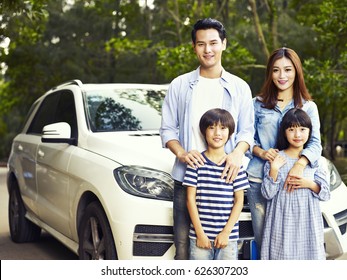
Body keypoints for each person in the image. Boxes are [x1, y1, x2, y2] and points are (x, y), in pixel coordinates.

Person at [160, 18, 254, 260]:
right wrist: (181, 153)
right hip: (187, 179)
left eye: (213, 43)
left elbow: (246, 132)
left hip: (225, 181)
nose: (207, 49)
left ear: (224, 44)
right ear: (194, 47)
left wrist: (236, 154)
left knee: (226, 249)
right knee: (185, 248)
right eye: (201, 44)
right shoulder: (180, 85)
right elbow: (168, 129)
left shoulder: (240, 87)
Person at [246, 47, 322, 256]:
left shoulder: (308, 107)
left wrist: (300, 164)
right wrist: (262, 153)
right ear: (270, 73)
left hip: (295, 182)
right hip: (260, 181)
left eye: (288, 70)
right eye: (276, 70)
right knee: (267, 244)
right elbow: (244, 140)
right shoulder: (257, 104)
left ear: (296, 71)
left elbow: (315, 144)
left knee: (298, 244)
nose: (282, 76)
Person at [260, 108, 330, 259]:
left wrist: (308, 183)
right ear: (284, 132)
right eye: (291, 129)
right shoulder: (276, 157)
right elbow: (267, 193)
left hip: (308, 220)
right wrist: (274, 169)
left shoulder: (314, 160)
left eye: (302, 129)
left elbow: (325, 193)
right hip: (282, 220)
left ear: (310, 131)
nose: (297, 135)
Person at [183, 108, 250, 260]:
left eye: (222, 128)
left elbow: (239, 200)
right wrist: (200, 233)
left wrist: (226, 232)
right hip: (199, 236)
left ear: (230, 132)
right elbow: (190, 199)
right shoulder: (196, 162)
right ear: (204, 132)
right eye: (211, 128)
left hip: (228, 237)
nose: (217, 133)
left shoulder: (234, 165)